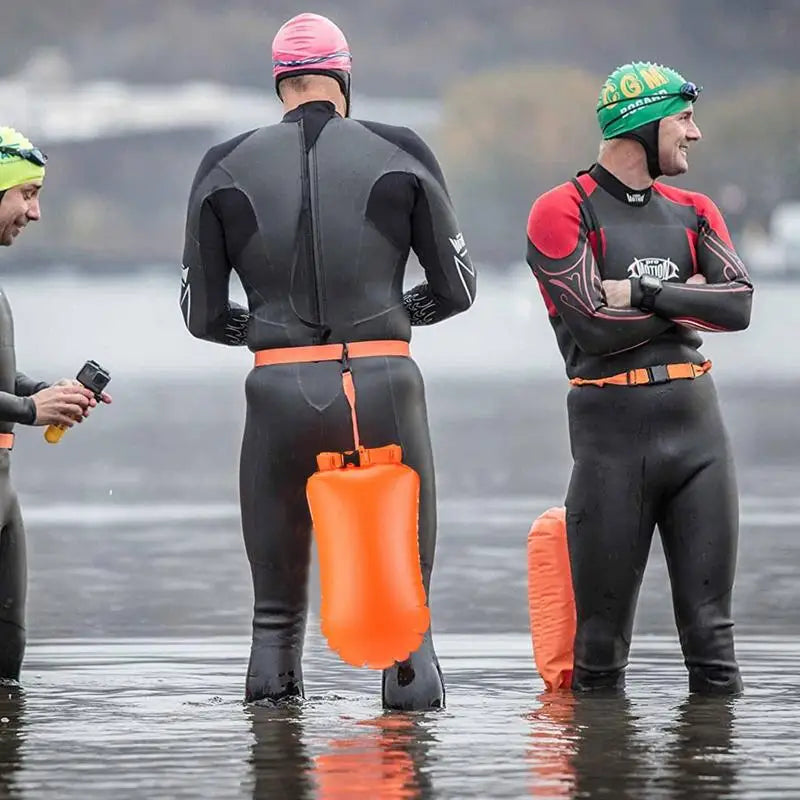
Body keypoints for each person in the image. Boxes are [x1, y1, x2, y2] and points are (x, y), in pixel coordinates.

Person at [180, 12, 475, 709]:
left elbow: (201, 317)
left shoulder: (223, 163)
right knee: (406, 625)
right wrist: (399, 317)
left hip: (277, 392)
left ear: (280, 82)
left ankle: (274, 765)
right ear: (343, 79)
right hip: (382, 387)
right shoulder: (399, 148)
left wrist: (267, 334)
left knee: (275, 622)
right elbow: (457, 289)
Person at [525, 62, 753, 694]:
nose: (696, 134)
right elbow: (595, 331)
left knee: (714, 644)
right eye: (684, 119)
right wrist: (688, 298)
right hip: (610, 444)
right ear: (644, 123)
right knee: (599, 654)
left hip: (698, 438)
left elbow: (739, 305)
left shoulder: (694, 209)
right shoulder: (560, 209)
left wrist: (644, 290)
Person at [0, 126, 111, 679]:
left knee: (7, 663)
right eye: (27, 194)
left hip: (3, 488)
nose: (35, 213)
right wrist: (30, 411)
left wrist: (48, 393)